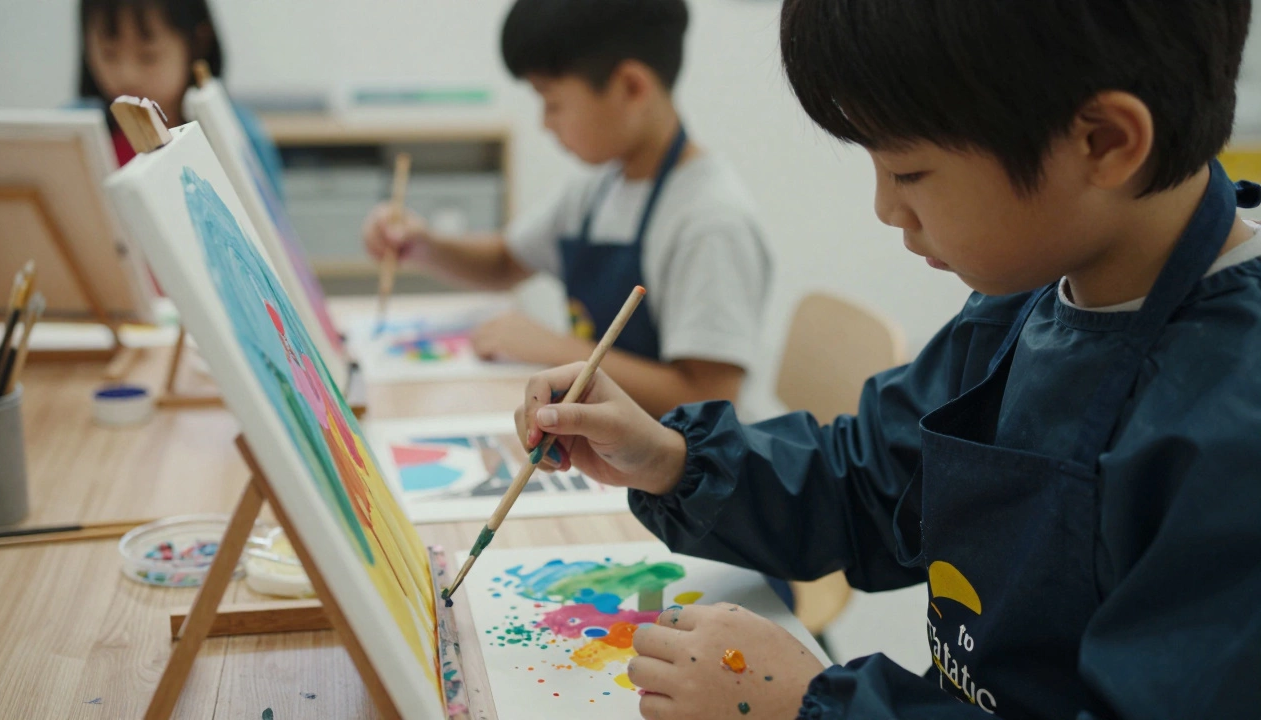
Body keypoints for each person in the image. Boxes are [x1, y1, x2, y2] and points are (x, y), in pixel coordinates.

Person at [513, 1, 1261, 718]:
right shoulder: (1028, 302)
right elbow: (870, 483)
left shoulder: (1231, 432)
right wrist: (669, 459)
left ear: (1103, 142)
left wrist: (812, 707)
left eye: (908, 173)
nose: (885, 209)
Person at [362, 0, 772, 420]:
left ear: (631, 88)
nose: (544, 123)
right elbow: (505, 262)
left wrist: (554, 348)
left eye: (552, 101)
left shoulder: (709, 221)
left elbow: (709, 398)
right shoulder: (598, 188)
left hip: (692, 472)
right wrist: (423, 245)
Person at [74, 0, 284, 196]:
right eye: (108, 53)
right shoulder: (70, 135)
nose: (127, 75)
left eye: (148, 56)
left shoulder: (239, 136)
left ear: (198, 42)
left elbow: (271, 233)